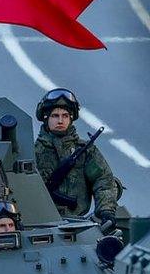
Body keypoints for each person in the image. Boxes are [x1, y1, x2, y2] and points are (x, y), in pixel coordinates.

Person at [33, 88, 119, 226]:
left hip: (78, 223)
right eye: (55, 116)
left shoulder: (85, 151)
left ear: (71, 118)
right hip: (40, 224)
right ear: (45, 118)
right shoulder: (34, 152)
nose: (60, 120)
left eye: (65, 115)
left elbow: (103, 181)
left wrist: (106, 211)